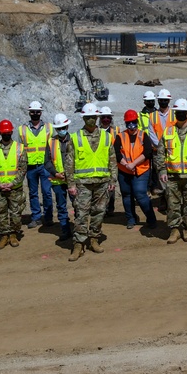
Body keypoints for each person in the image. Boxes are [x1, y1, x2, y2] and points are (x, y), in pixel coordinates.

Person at [154, 98, 187, 244]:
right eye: (178, 112)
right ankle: (174, 230)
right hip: (172, 176)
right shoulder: (168, 131)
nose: (181, 114)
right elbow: (160, 153)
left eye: (183, 112)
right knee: (173, 205)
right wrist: (162, 171)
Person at [67, 104, 117, 259]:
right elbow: (69, 163)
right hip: (82, 184)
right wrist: (71, 184)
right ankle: (79, 244)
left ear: (97, 118)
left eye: (93, 117)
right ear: (83, 118)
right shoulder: (75, 138)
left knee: (98, 213)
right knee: (81, 214)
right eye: (87, 117)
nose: (90, 120)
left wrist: (113, 179)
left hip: (102, 182)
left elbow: (112, 160)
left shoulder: (106, 136)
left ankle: (94, 239)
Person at [114, 110, 158, 230]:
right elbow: (116, 153)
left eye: (133, 122)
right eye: (129, 123)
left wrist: (133, 164)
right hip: (124, 171)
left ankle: (151, 219)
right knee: (126, 194)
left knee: (140, 194)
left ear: (137, 122)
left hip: (141, 170)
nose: (131, 126)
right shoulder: (120, 136)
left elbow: (148, 152)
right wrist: (126, 164)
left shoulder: (143, 135)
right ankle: (131, 219)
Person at [0, 119, 28, 250]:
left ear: (11, 132)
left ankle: (13, 234)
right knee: (1, 214)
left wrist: (13, 183)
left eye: (8, 132)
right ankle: (4, 235)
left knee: (16, 214)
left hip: (15, 189)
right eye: (4, 132)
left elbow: (23, 169)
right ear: (0, 133)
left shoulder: (19, 148)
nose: (6, 134)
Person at [18, 100, 53, 229]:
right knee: (33, 193)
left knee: (46, 192)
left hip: (45, 166)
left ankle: (48, 217)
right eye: (33, 112)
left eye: (37, 112)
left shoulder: (49, 128)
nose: (35, 114)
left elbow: (53, 147)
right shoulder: (22, 130)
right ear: (29, 113)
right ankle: (36, 217)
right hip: (30, 166)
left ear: (41, 112)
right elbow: (19, 150)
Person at [43, 113, 75, 241]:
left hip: (72, 179)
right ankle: (65, 230)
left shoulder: (73, 140)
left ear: (67, 127)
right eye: (59, 128)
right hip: (57, 180)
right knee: (61, 206)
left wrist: (70, 174)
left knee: (77, 204)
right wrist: (55, 173)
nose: (61, 130)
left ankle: (79, 229)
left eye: (63, 128)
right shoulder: (51, 142)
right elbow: (47, 161)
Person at [99, 106, 120, 216]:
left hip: (112, 162)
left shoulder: (116, 131)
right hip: (100, 162)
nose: (106, 120)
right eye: (104, 117)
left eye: (108, 117)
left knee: (111, 186)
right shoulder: (96, 131)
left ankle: (110, 208)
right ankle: (102, 208)